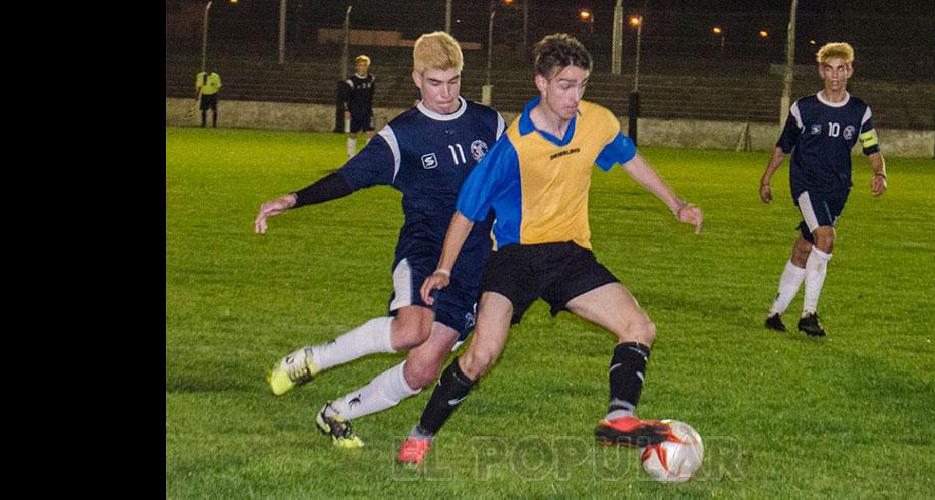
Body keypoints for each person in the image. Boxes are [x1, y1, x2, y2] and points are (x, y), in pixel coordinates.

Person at [395, 33, 704, 466]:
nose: (574, 96)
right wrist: (444, 268)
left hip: (569, 255)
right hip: (514, 260)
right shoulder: (514, 146)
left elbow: (629, 157)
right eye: (564, 85)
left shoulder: (596, 121)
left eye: (580, 85)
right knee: (481, 356)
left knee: (639, 326)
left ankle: (619, 418)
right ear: (541, 82)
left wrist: (675, 203)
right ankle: (420, 434)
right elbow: (466, 211)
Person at [254, 32, 506, 448]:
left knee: (423, 370)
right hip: (424, 247)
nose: (445, 93)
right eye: (434, 82)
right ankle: (312, 360)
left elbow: (510, 185)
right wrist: (294, 198)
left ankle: (337, 413)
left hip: (474, 260)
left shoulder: (489, 123)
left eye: (454, 81)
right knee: (411, 330)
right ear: (416, 79)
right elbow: (348, 178)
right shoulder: (402, 135)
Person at [757, 42, 887, 337]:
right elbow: (783, 147)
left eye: (841, 69)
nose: (835, 76)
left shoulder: (859, 111)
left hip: (838, 189)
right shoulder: (804, 108)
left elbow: (872, 148)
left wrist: (880, 172)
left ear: (850, 70)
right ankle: (808, 315)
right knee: (825, 239)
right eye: (829, 69)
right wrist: (766, 179)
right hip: (806, 185)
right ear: (821, 71)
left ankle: (775, 313)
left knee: (805, 246)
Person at [342, 55, 377, 158]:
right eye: (361, 65)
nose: (363, 67)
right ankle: (350, 157)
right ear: (357, 67)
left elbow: (371, 95)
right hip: (355, 112)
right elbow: (346, 98)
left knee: (370, 133)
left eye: (365, 65)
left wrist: (370, 109)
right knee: (353, 134)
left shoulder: (371, 79)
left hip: (367, 111)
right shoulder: (351, 81)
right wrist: (347, 111)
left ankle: (368, 158)